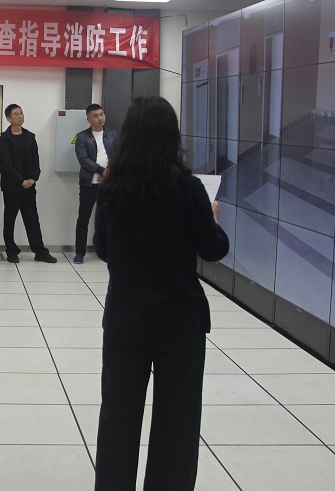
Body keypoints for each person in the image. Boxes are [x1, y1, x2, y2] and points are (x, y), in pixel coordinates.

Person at [93, 96, 229, 491]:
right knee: (177, 420)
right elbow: (213, 249)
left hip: (126, 317)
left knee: (118, 415)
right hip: (179, 319)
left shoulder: (112, 187)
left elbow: (103, 249)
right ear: (172, 135)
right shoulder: (188, 188)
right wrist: (214, 220)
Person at [0, 104, 55, 264]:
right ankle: (11, 251)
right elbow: (6, 164)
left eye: (21, 113)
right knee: (10, 219)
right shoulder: (4, 139)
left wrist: (33, 179)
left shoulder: (30, 137)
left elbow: (36, 160)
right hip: (11, 187)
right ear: (8, 119)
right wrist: (20, 180)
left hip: (29, 186)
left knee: (32, 219)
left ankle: (40, 251)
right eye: (16, 114)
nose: (20, 116)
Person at [74, 103, 118, 264]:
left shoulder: (113, 134)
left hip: (109, 184)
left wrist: (108, 173)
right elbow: (83, 159)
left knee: (108, 217)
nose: (100, 118)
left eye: (102, 114)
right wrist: (101, 170)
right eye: (96, 116)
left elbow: (119, 155)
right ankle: (80, 252)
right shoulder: (82, 137)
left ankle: (104, 249)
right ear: (89, 119)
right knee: (83, 218)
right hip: (89, 183)